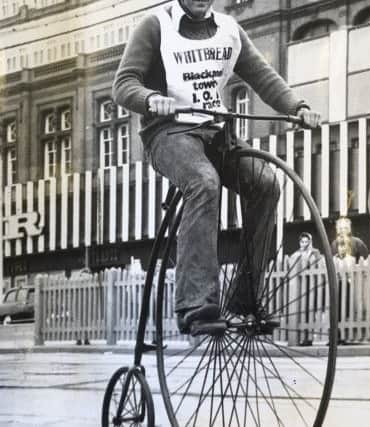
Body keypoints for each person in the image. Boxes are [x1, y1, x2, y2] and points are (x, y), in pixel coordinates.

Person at [112, 0, 321, 335]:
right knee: (203, 181)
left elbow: (263, 76)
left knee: (266, 183)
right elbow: (123, 84)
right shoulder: (155, 25)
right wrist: (150, 99)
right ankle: (195, 304)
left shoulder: (229, 30)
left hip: (215, 131)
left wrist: (298, 106)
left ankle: (246, 298)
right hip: (168, 133)